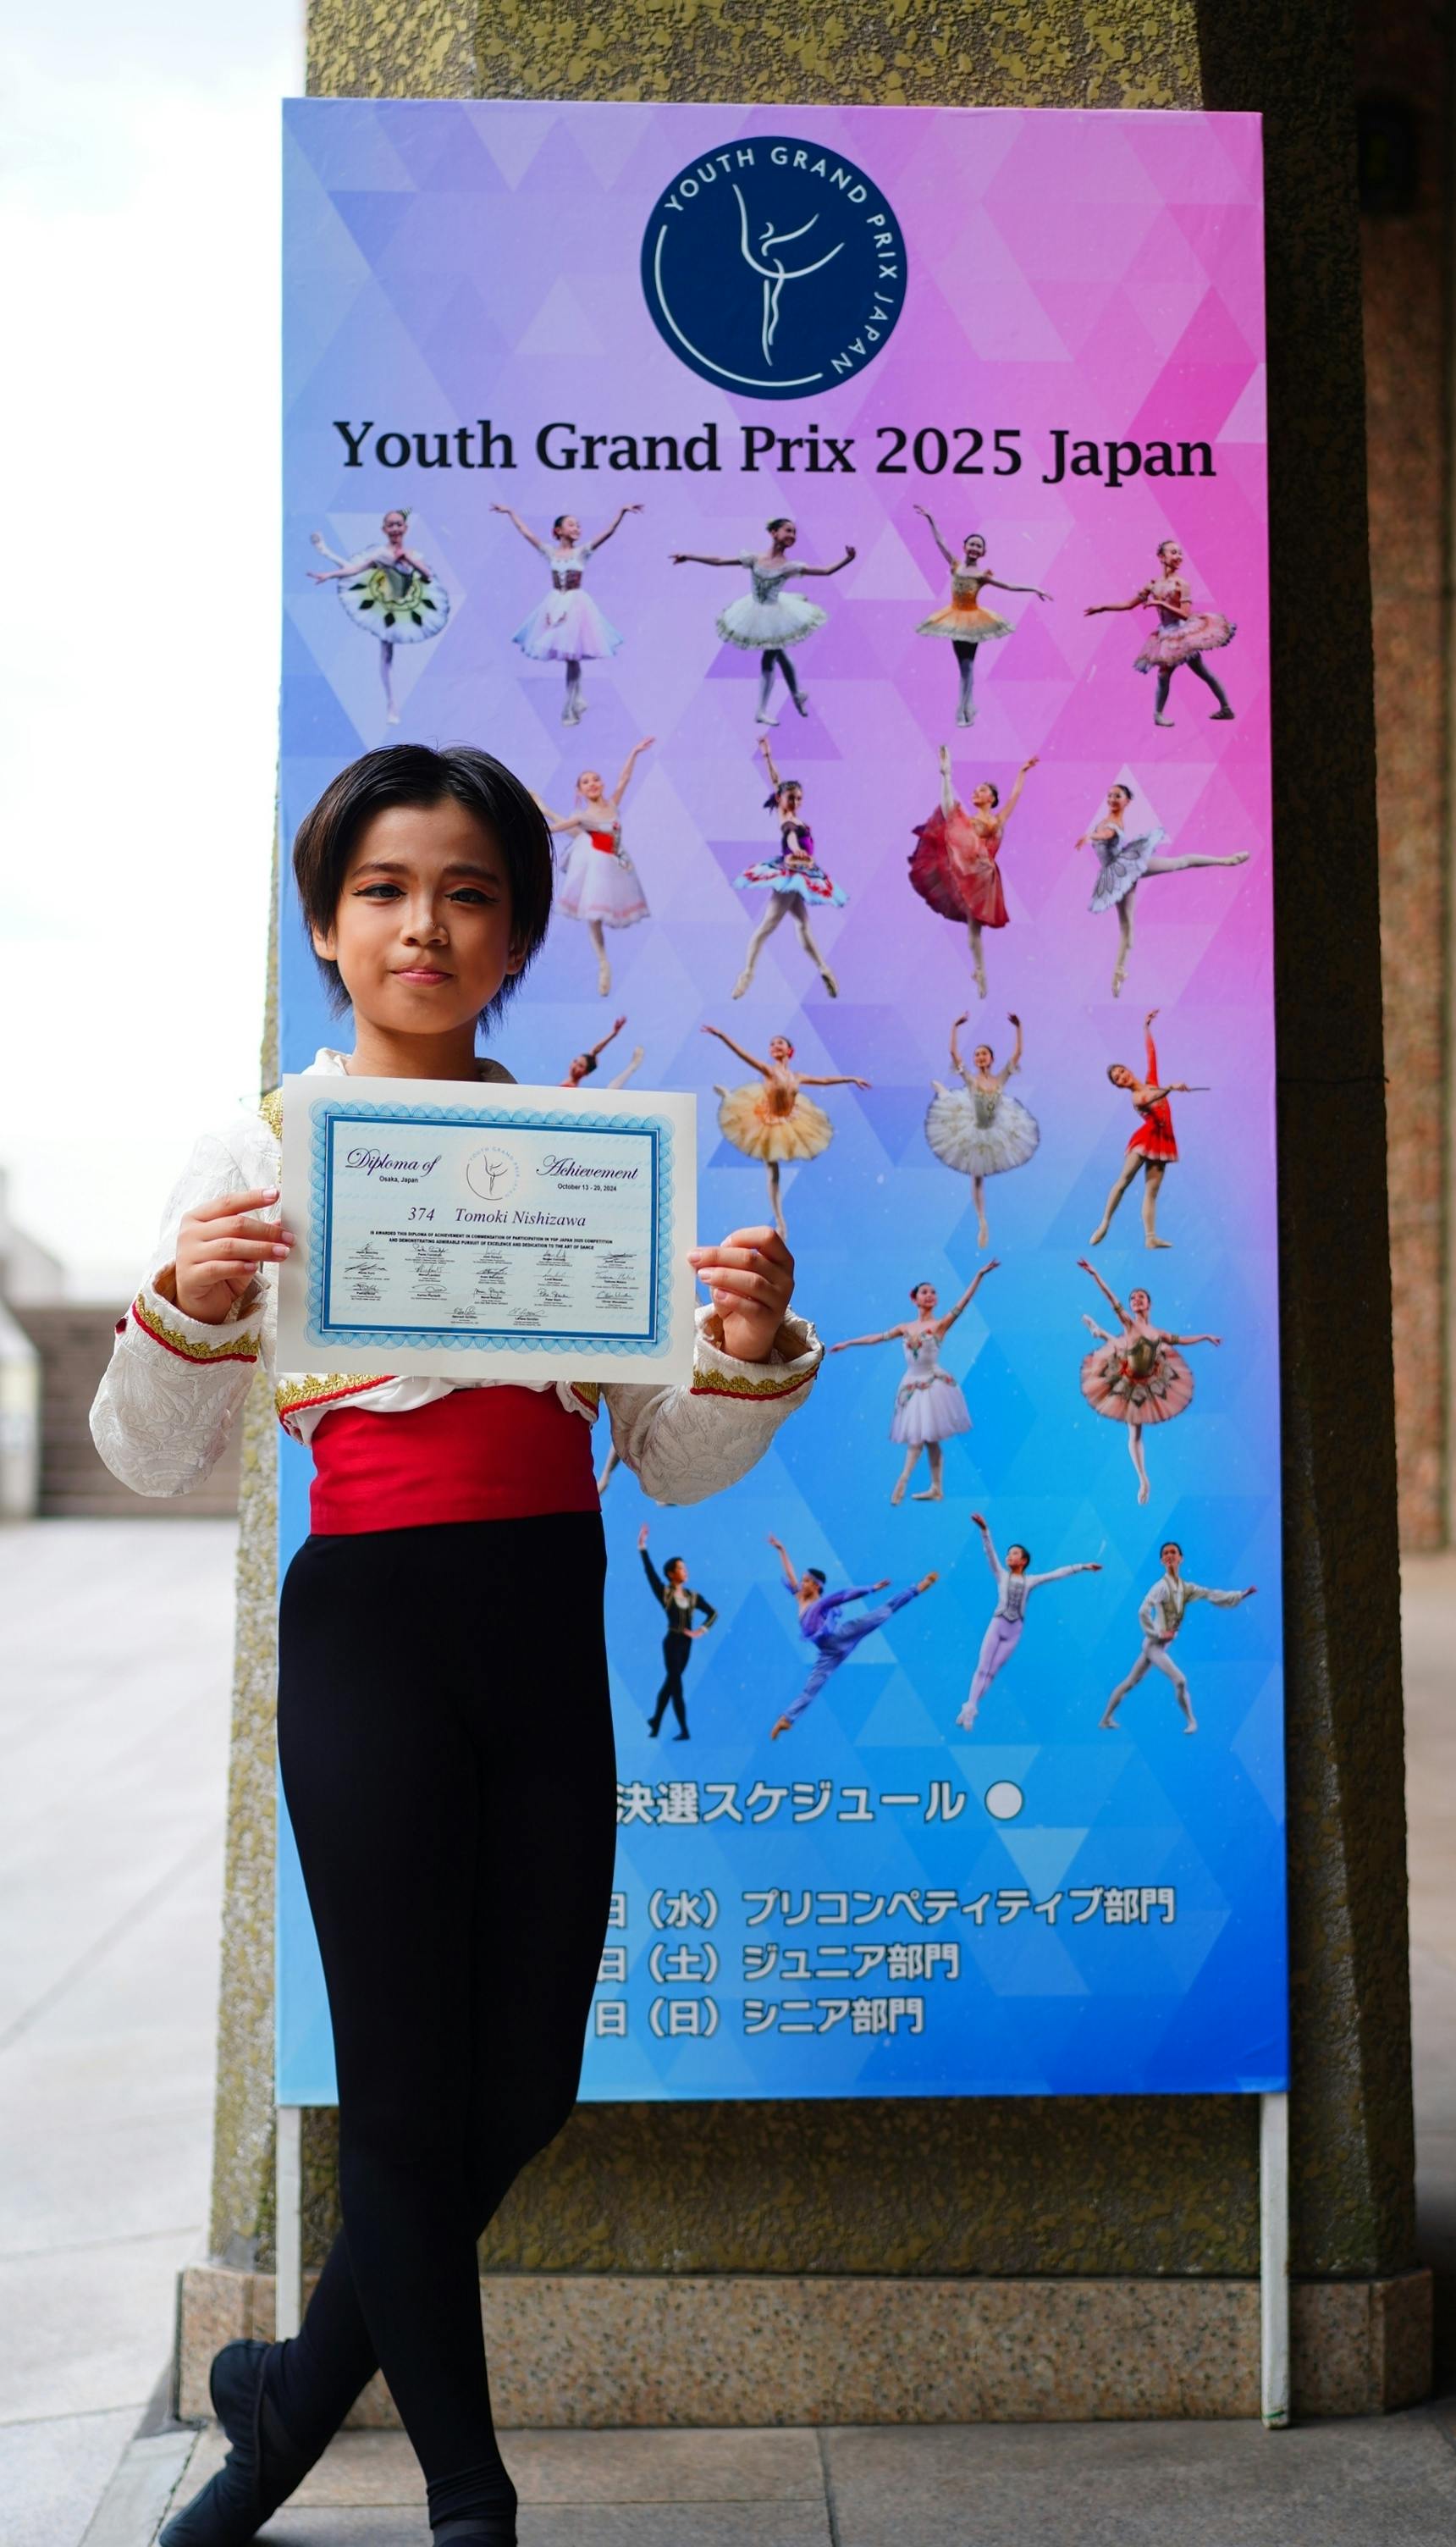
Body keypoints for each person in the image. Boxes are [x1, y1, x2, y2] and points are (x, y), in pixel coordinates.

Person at [91, 743, 822, 2547]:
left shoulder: (589, 1159)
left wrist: (745, 1346)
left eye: (469, 893)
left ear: (517, 937)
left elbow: (669, 1458)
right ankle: (468, 2503)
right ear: (327, 926)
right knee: (407, 2094)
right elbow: (151, 1455)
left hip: (545, 1631)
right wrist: (186, 1302)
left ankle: (280, 2404)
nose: (425, 925)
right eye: (385, 890)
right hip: (373, 1637)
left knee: (527, 2087)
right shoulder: (256, 1148)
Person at [828, 1264, 999, 1503]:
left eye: (933, 1292)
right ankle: (927, 1485)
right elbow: (877, 1337)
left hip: (933, 1384)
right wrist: (849, 1343)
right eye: (925, 1292)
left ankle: (910, 1481)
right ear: (915, 1299)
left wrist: (979, 1275)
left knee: (925, 1438)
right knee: (924, 1438)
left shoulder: (940, 1325)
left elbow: (964, 1301)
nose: (930, 1295)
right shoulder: (905, 1327)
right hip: (912, 1384)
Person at [670, 516, 856, 726]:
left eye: (795, 532)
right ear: (774, 533)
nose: (793, 535)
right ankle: (796, 694)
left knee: (769, 658)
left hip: (775, 615)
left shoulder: (788, 566)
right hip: (754, 611)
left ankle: (762, 710)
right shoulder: (755, 559)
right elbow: (720, 561)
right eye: (788, 530)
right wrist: (689, 556)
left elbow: (825, 571)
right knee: (780, 653)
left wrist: (847, 559)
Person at [1077, 778, 1249, 998]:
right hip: (1118, 874)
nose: (1111, 799)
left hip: (1126, 867)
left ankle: (1226, 860)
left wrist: (1091, 836)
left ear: (1127, 801)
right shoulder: (1109, 820)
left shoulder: (1112, 823)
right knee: (1127, 928)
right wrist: (1093, 835)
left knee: (1179, 863)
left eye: (1117, 796)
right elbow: (1106, 836)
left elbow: (1107, 835)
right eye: (1110, 795)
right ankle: (1118, 974)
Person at [1076, 1257, 1221, 1506]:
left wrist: (1206, 1336)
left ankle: (1100, 1333)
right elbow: (1111, 1298)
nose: (1136, 1300)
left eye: (1140, 1297)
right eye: (1133, 1298)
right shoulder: (1129, 1323)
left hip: (1148, 1378)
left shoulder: (1159, 1333)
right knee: (1134, 1431)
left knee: (1123, 1350)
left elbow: (1181, 1340)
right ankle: (1143, 1479)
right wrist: (1095, 1274)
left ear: (1149, 1304)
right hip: (1128, 1378)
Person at [703, 1024, 869, 1239]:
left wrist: (852, 1078)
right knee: (772, 1168)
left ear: (789, 1050)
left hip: (789, 1119)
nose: (775, 1046)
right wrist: (721, 1035)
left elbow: (826, 1080)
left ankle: (730, 1097)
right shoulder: (768, 1070)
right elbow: (741, 1054)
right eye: (772, 1044)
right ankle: (780, 1222)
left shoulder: (797, 1076)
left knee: (775, 1166)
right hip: (766, 1119)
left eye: (779, 1043)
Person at [766, 1535, 938, 1739]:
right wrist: (781, 1550)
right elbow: (790, 1573)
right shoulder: (800, 1598)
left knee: (881, 1614)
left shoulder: (820, 1603)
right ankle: (787, 1719)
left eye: (806, 1581)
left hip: (840, 1637)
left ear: (816, 1586)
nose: (801, 1584)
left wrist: (871, 1588)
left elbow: (844, 1595)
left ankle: (917, 1588)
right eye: (802, 1581)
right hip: (828, 1653)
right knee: (811, 1687)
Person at [907, 742, 1038, 996]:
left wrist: (1022, 772)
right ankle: (980, 972)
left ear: (991, 798)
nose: (976, 792)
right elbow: (948, 809)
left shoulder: (997, 819)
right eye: (976, 790)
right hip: (970, 869)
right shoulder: (969, 821)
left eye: (982, 790)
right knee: (972, 924)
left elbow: (1015, 796)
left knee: (975, 926)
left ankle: (980, 972)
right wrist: (946, 775)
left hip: (986, 876)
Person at [492, 500, 639, 726]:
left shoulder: (581, 553)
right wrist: (511, 512)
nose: (577, 528)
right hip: (554, 604)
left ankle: (573, 706)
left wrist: (621, 513)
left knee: (572, 658)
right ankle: (575, 702)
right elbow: (526, 533)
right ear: (558, 531)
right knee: (570, 659)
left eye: (578, 525)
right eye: (572, 524)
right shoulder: (550, 553)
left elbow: (608, 533)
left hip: (576, 605)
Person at [958, 1513, 1101, 1730]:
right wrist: (985, 1531)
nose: (1009, 1556)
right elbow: (990, 1553)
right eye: (1008, 1554)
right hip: (997, 1625)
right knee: (982, 1667)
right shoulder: (1001, 1575)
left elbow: (1056, 1574)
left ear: (1023, 1561)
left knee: (992, 1672)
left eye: (1014, 1553)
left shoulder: (1031, 1580)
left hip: (1014, 1631)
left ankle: (972, 1706)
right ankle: (970, 1707)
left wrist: (1083, 1566)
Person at [536, 738, 655, 997]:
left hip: (616, 860)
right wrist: (534, 826)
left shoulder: (612, 804)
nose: (592, 783)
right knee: (594, 914)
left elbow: (624, 779)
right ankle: (603, 963)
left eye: (595, 779)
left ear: (601, 784)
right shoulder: (582, 815)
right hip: (597, 862)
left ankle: (545, 807)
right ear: (579, 791)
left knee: (582, 840)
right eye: (585, 782)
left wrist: (634, 752)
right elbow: (558, 828)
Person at [913, 506, 1051, 726]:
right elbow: (940, 542)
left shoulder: (981, 575)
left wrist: (1034, 588)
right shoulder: (955, 565)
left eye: (979, 546)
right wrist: (930, 518)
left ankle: (962, 711)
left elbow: (1008, 586)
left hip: (973, 621)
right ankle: (968, 707)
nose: (975, 548)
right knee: (963, 666)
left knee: (967, 667)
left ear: (983, 552)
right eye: (972, 544)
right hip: (954, 618)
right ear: (965, 547)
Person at [731, 736, 848, 998]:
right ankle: (746, 974)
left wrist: (768, 756)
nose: (795, 802)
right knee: (767, 927)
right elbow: (791, 836)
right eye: (791, 798)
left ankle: (825, 970)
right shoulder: (787, 820)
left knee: (803, 926)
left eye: (798, 798)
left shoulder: (795, 816)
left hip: (800, 875)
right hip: (790, 875)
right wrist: (796, 850)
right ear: (781, 799)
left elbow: (777, 781)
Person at [308, 511, 448, 726]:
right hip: (385, 601)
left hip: (408, 601)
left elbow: (427, 575)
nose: (395, 528)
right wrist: (329, 575)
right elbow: (356, 569)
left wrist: (407, 558)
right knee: (386, 654)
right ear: (384, 530)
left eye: (399, 524)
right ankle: (391, 704)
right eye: (390, 525)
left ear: (405, 528)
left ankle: (326, 551)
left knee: (388, 653)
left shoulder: (412, 553)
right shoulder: (381, 554)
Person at [1100, 1543, 1256, 1734]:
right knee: (1180, 1681)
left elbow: (1210, 1594)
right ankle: (1191, 1722)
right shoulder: (1161, 1587)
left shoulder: (1186, 1588)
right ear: (1162, 1561)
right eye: (1165, 1553)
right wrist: (1158, 1634)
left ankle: (1105, 1719)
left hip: (1158, 1646)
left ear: (1180, 1558)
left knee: (1130, 1682)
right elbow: (1143, 1611)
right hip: (1154, 1645)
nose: (1169, 1555)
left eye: (1173, 1552)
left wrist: (1240, 1595)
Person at [1084, 538, 1236, 727]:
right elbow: (1129, 604)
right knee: (1189, 673)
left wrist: (1160, 603)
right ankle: (1223, 708)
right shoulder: (1153, 584)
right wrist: (1103, 607)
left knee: (1181, 673)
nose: (1179, 556)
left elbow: (1185, 614)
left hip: (1182, 633)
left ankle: (1161, 714)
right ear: (1161, 557)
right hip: (1166, 633)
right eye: (1173, 552)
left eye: (1180, 553)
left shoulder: (1182, 584)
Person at [924, 1014, 1040, 1250]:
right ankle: (982, 1221)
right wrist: (955, 1026)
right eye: (976, 1054)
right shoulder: (970, 1078)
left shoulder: (1000, 1079)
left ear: (992, 1058)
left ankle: (944, 1093)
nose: (979, 1057)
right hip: (974, 1127)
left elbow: (1018, 1053)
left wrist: (1019, 1027)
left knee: (980, 1169)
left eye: (984, 1053)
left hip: (996, 1128)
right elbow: (953, 1054)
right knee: (977, 1175)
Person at [1089, 1011, 1198, 1248]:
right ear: (1119, 1086)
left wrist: (1146, 1028)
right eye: (1117, 1079)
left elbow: (1151, 1054)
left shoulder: (1151, 1080)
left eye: (1121, 1071)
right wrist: (1171, 1087)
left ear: (1128, 1069)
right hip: (1146, 1139)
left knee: (1152, 1192)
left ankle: (1150, 1238)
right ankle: (1104, 1223)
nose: (1121, 1077)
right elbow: (1152, 1097)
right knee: (1124, 1181)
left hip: (1163, 1140)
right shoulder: (1137, 1097)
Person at [638, 1522, 716, 1738]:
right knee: (676, 1684)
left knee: (670, 1683)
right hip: (672, 1642)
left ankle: (656, 1721)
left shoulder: (692, 1597)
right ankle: (684, 1729)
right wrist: (642, 1547)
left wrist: (700, 1631)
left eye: (685, 1567)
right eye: (681, 1568)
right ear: (672, 1574)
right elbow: (650, 1574)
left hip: (686, 1645)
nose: (685, 1571)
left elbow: (713, 1613)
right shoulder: (665, 1594)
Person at [560, 1015, 643, 1089]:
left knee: (611, 1089)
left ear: (586, 1073)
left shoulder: (571, 1089)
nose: (575, 1066)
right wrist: (613, 1033)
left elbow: (593, 1052)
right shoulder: (566, 1085)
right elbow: (594, 1051)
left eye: (580, 1066)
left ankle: (633, 1065)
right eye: (575, 1061)